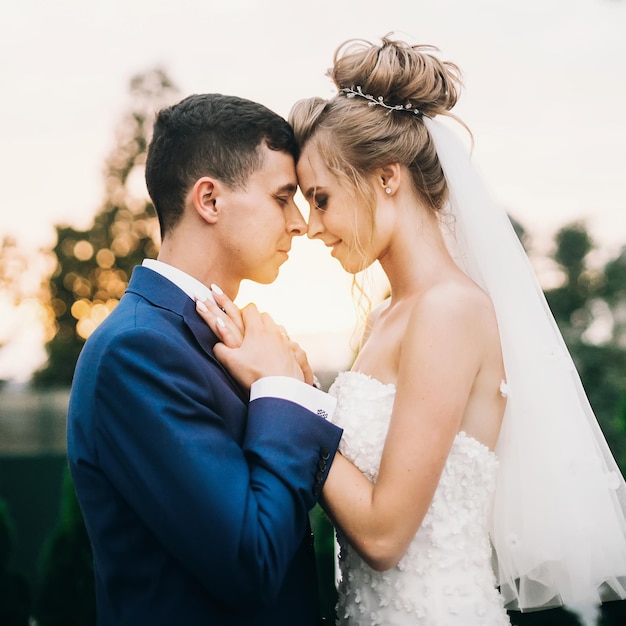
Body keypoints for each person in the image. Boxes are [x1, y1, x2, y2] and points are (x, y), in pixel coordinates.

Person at [197, 36, 626, 624]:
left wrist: (289, 401)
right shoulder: (388, 315)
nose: (312, 227)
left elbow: (383, 533)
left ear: (387, 177)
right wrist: (298, 384)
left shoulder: (449, 310)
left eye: (321, 199)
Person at [66, 92, 343, 626]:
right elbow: (251, 560)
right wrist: (284, 393)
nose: (301, 224)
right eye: (283, 197)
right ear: (210, 200)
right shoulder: (138, 351)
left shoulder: (221, 338)